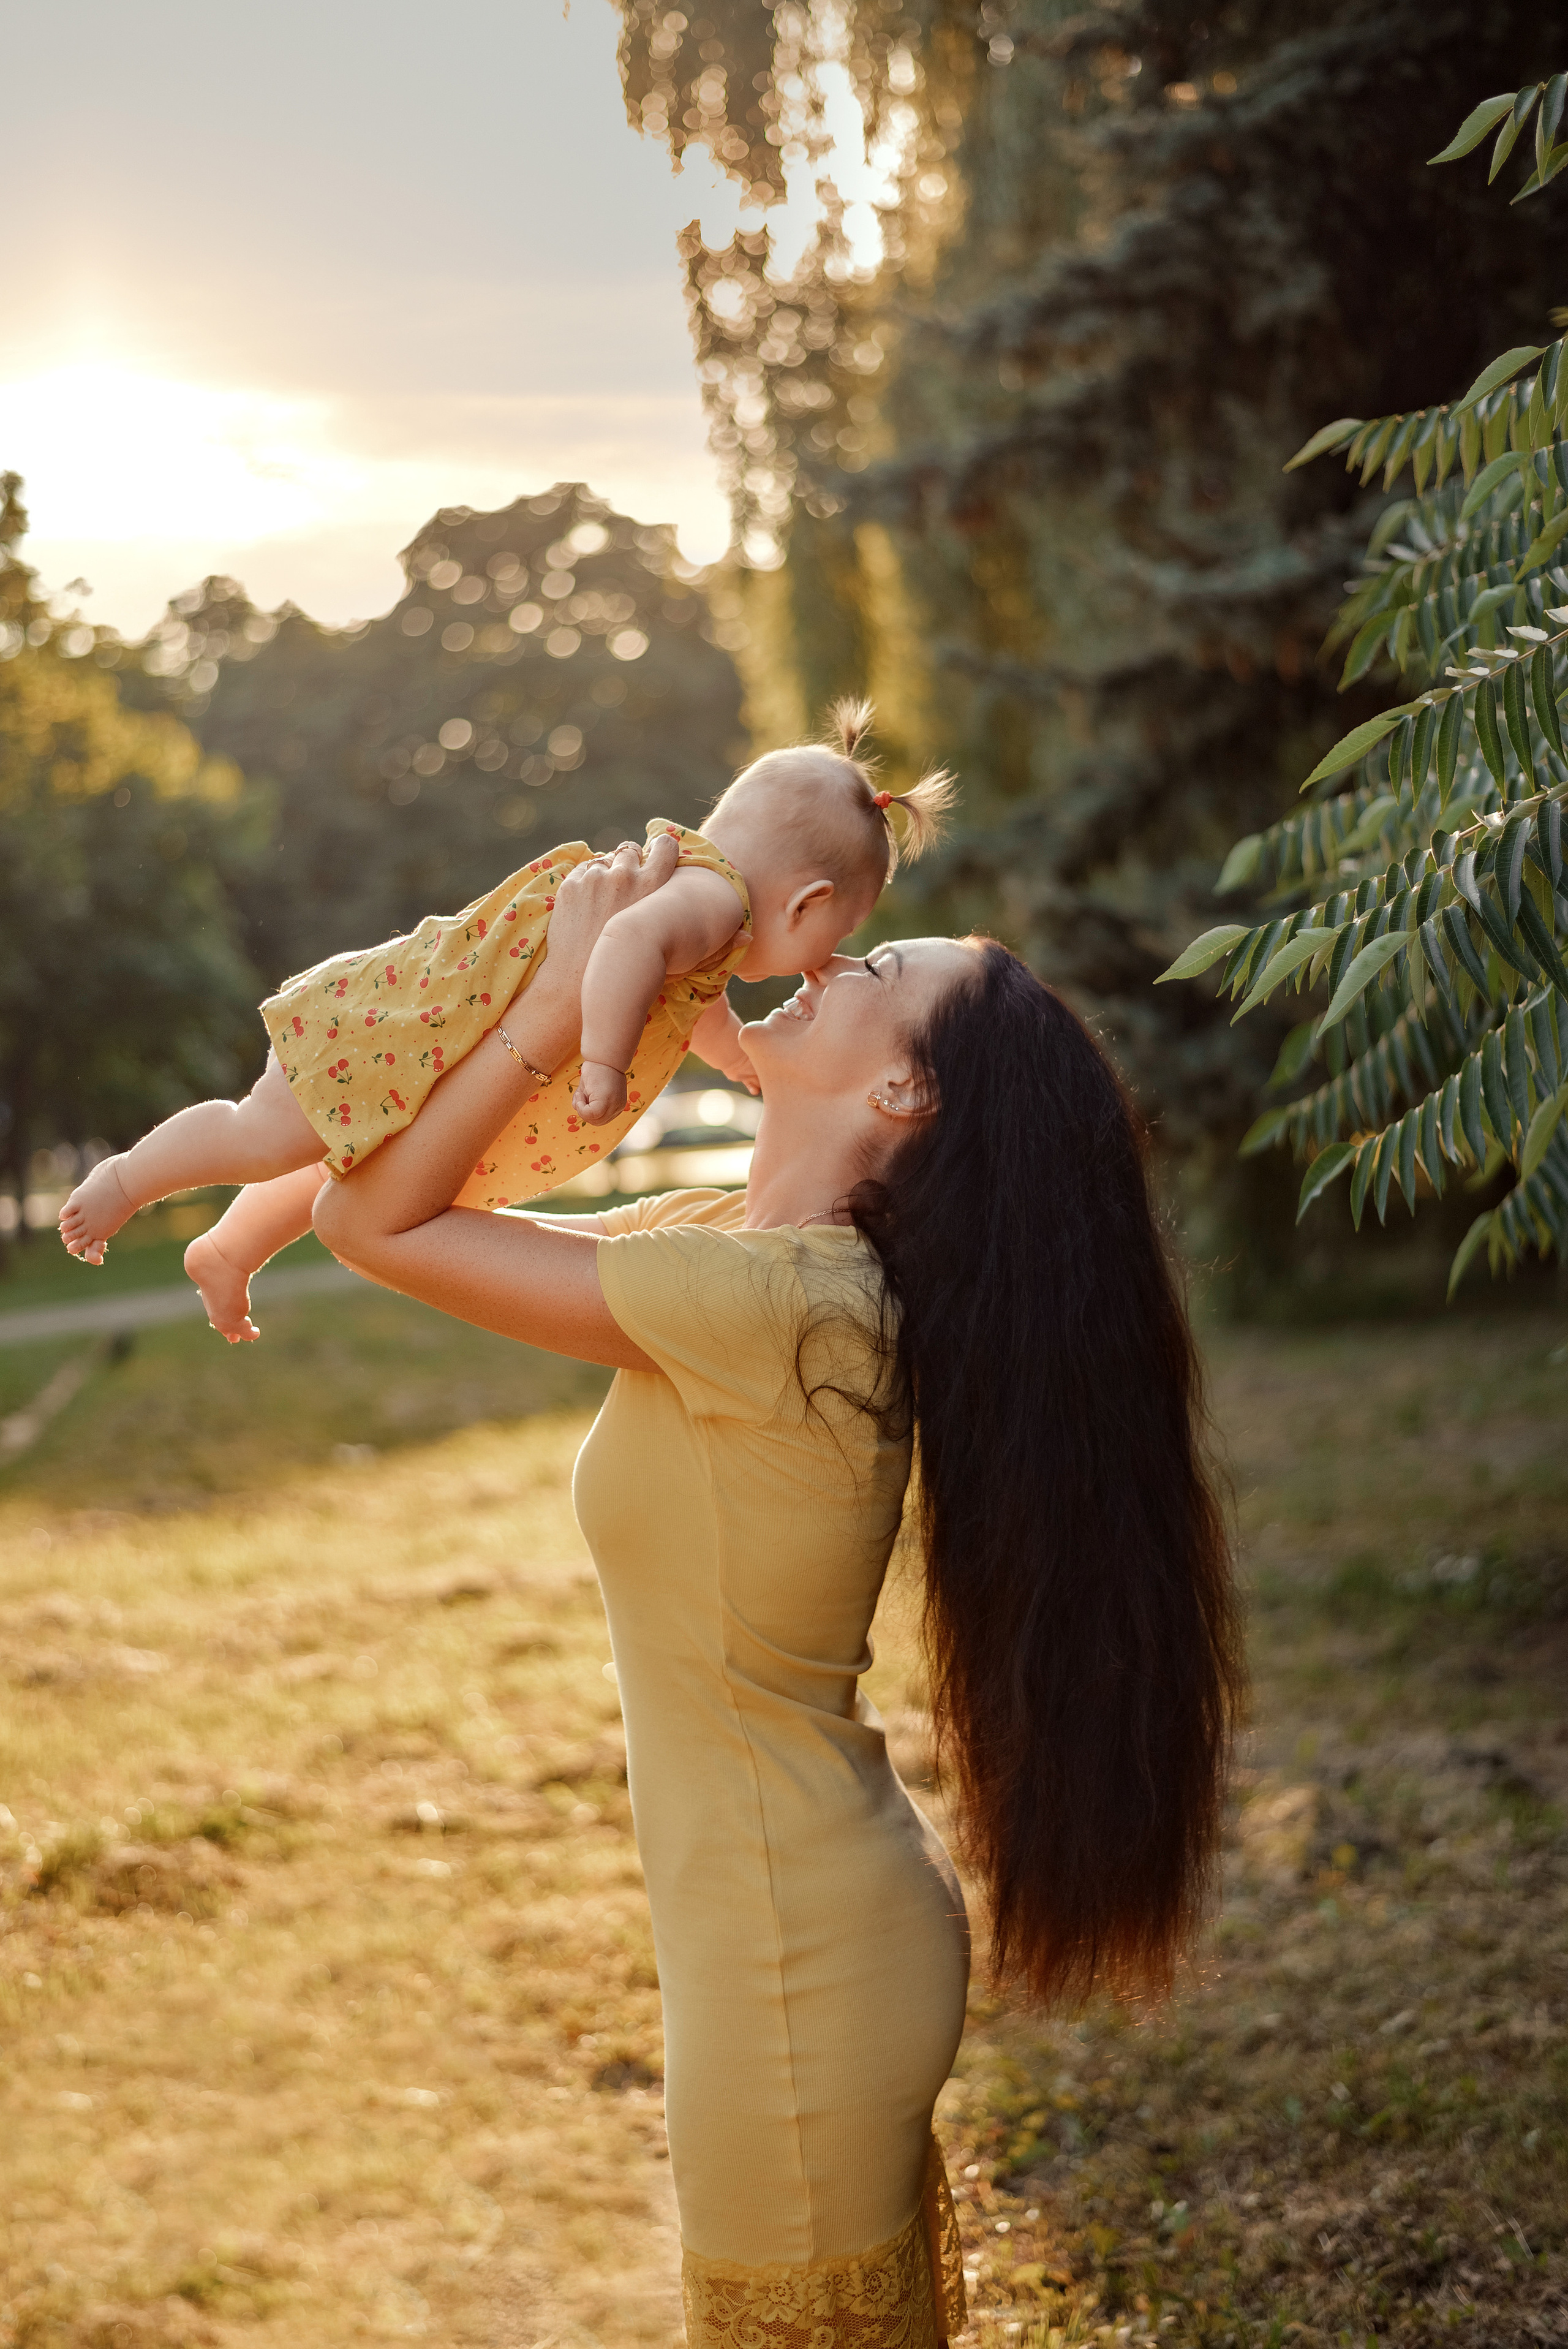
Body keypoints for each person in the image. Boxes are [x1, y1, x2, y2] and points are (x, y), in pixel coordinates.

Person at [308, 839, 1243, 2348]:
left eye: (875, 968)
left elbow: (368, 1226)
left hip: (792, 1963)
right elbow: (426, 1180)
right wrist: (609, 982)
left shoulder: (785, 1306)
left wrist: (554, 1005)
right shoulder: (740, 1260)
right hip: (787, 1931)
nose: (827, 959)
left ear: (904, 1091)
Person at [56, 705, 954, 1341]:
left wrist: (729, 1060)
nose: (823, 965)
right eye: (840, 941)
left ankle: (230, 1247)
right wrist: (602, 1061)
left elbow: (697, 1004)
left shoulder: (709, 913)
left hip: (442, 1036)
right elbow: (628, 943)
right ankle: (126, 1180)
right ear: (807, 901)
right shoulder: (713, 904)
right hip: (413, 1027)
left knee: (344, 1149)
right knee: (262, 1132)